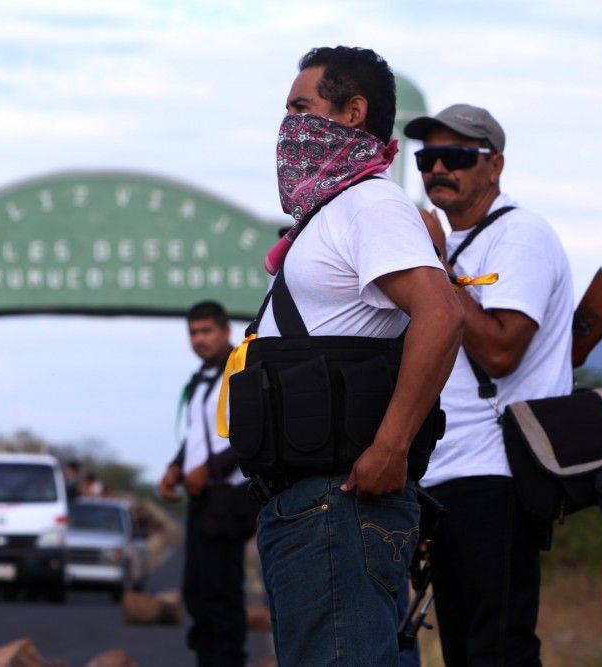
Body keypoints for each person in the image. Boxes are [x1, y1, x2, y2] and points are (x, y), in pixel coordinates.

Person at [252, 46, 464, 666]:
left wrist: (391, 446)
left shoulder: (371, 203)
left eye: (301, 107)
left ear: (352, 113)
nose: (287, 125)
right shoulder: (333, 212)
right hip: (309, 505)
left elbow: (442, 313)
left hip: (337, 504)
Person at [405, 103, 574, 666]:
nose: (437, 169)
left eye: (456, 156)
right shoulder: (452, 250)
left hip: (497, 473)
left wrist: (438, 266)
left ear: (494, 166)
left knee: (498, 648)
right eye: (428, 157)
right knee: (461, 649)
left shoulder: (520, 235)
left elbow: (501, 349)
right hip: (447, 476)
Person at [157, 300, 252, 667]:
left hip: (227, 498)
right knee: (196, 591)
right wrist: (176, 467)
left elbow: (247, 435)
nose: (199, 339)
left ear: (226, 331)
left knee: (221, 594)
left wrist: (208, 470)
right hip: (200, 498)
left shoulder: (241, 368)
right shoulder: (199, 380)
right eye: (193, 333)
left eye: (206, 331)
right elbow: (197, 437)